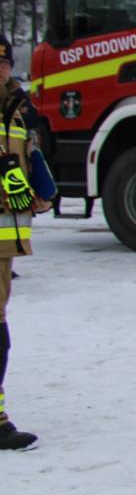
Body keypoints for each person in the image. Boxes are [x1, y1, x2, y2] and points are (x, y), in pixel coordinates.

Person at [0, 34, 39, 451]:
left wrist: (33, 185)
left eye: (4, 62)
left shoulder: (16, 108)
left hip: (7, 245)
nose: (0, 69)